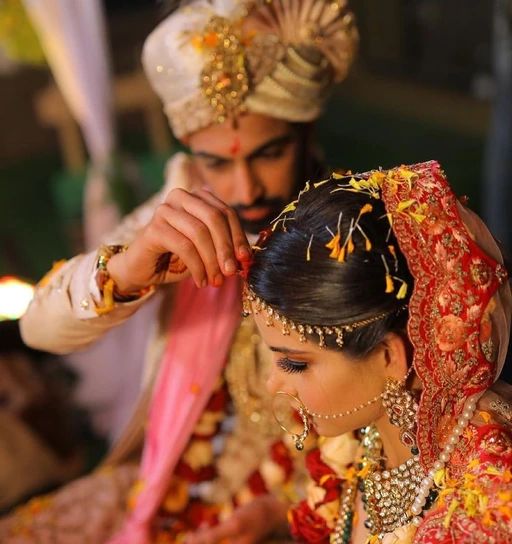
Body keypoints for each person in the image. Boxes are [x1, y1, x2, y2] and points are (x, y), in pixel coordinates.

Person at [0, 0, 358, 543]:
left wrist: (274, 512)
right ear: (191, 150)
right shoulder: (181, 213)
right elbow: (37, 330)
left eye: (269, 153)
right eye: (217, 162)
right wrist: (125, 271)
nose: (245, 189)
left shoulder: (352, 229)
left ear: (305, 132)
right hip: (163, 474)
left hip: (299, 495)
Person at [245, 160, 512, 543]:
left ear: (389, 358)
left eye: (294, 363)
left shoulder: (489, 506)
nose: (273, 383)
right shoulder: (362, 440)